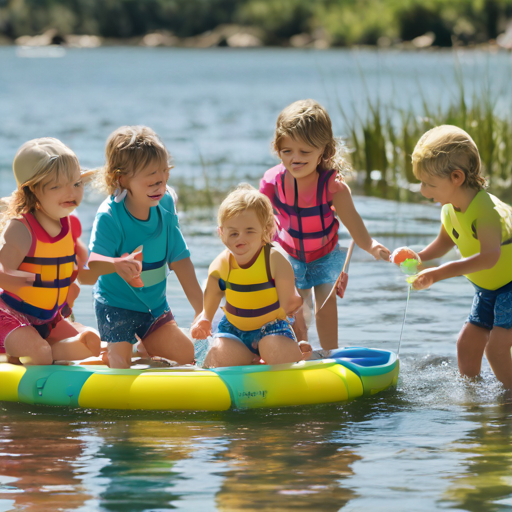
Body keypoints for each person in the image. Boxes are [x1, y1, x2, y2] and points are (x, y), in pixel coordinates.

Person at [260, 99, 390, 350]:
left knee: (326, 301)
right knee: (294, 305)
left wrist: (372, 246)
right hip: (288, 254)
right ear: (278, 149)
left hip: (323, 254)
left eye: (305, 152)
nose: (295, 159)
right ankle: (300, 350)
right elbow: (261, 224)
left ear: (324, 151)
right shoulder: (271, 183)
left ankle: (331, 352)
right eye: (287, 151)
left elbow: (355, 227)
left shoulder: (333, 187)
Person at [393, 124, 512, 388]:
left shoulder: (486, 213)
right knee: (467, 344)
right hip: (487, 288)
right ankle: (474, 401)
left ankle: (508, 403)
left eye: (428, 183)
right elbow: (445, 241)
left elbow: (488, 258)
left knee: (496, 349)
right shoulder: (449, 209)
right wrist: (419, 257)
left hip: (510, 286)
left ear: (456, 177)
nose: (423, 191)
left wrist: (439, 273)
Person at [87, 125, 202, 369]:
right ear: (122, 179)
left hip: (154, 307)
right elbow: (93, 263)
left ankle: (142, 348)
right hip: (116, 307)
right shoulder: (110, 216)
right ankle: (112, 352)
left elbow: (181, 261)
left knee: (186, 356)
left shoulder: (166, 203)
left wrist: (202, 311)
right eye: (151, 175)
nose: (160, 180)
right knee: (120, 365)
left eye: (163, 171)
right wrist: (116, 264)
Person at [0, 138, 101, 365]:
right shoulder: (21, 229)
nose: (70, 193)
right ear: (33, 191)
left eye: (76, 184)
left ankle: (41, 351)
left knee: (93, 344)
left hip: (46, 317)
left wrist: (114, 265)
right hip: (9, 316)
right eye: (56, 186)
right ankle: (26, 355)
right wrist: (25, 279)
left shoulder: (69, 225)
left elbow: (79, 269)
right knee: (41, 352)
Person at [190, 184, 312, 367]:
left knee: (275, 351)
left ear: (265, 229)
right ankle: (251, 360)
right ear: (221, 233)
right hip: (234, 329)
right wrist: (206, 317)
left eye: (249, 231)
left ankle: (296, 352)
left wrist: (292, 303)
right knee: (218, 355)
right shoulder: (221, 264)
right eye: (233, 233)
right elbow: (213, 293)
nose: (241, 238)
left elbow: (289, 297)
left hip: (271, 328)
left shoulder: (274, 260)